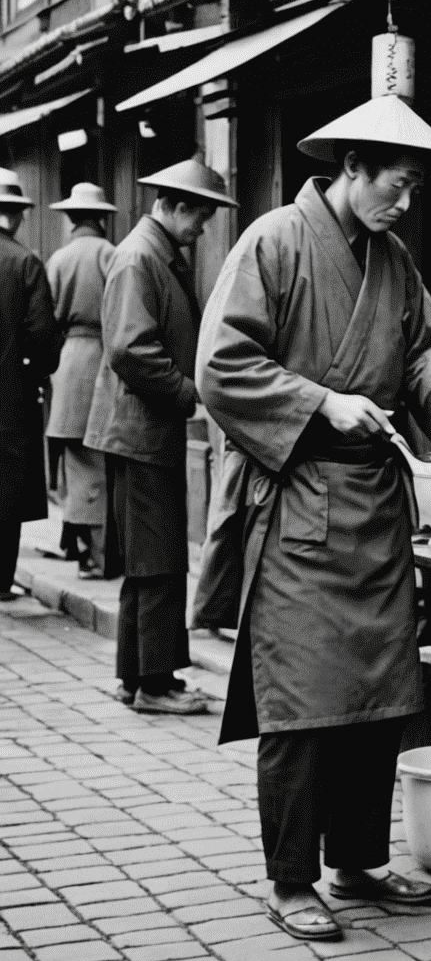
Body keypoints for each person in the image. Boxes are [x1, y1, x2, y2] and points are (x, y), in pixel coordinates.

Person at [192, 95, 431, 942]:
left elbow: (425, 349)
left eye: (412, 191)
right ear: (351, 168)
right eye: (395, 185)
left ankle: (359, 861)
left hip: (373, 508)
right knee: (301, 705)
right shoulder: (273, 243)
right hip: (295, 504)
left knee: (378, 694)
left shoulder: (393, 259)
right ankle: (291, 879)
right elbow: (221, 366)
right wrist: (322, 402)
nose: (403, 204)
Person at [85, 156, 232, 713]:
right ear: (172, 207)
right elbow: (130, 349)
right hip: (141, 433)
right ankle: (155, 684)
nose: (203, 228)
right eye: (199, 216)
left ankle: (137, 678)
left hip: (139, 433)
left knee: (148, 562)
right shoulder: (141, 257)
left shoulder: (150, 253)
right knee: (161, 562)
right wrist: (190, 394)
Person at [44, 183, 117, 577]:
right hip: (105, 361)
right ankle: (101, 551)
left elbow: (48, 318)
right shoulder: (111, 254)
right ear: (102, 217)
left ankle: (84, 546)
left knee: (75, 461)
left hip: (69, 362)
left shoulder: (58, 259)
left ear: (71, 218)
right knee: (102, 461)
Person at [0, 168, 60, 603]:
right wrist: (34, 375)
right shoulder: (24, 262)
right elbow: (42, 341)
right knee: (6, 485)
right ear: (18, 215)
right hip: (9, 398)